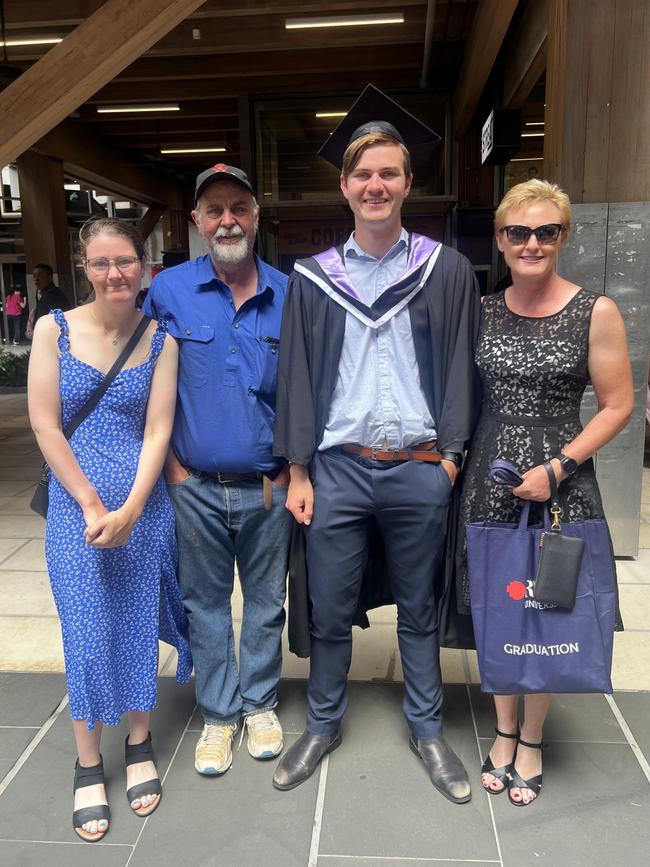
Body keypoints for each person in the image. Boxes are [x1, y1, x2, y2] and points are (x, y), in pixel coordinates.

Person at [272, 85, 481, 803]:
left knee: (419, 605)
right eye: (363, 174)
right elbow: (296, 377)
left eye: (388, 172)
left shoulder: (444, 269)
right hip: (335, 471)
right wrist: (296, 468)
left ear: (407, 182)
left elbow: (460, 364)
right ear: (344, 186)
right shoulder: (315, 279)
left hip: (420, 467)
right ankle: (324, 720)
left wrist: (451, 458)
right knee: (328, 605)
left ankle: (427, 727)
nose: (375, 184)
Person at [456, 179, 633, 806]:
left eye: (546, 231)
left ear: (562, 237)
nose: (531, 243)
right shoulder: (482, 309)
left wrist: (558, 465)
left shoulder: (597, 310)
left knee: (551, 601)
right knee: (502, 600)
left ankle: (532, 736)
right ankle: (503, 728)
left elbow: (617, 406)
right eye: (518, 232)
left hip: (564, 479)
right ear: (500, 239)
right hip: (492, 474)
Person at [28, 218, 192, 843]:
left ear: (142, 265)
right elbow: (45, 425)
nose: (115, 274)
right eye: (101, 264)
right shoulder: (54, 330)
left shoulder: (160, 341)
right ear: (84, 268)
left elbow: (157, 431)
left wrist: (129, 508)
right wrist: (95, 505)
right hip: (77, 511)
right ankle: (89, 760)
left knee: (134, 625)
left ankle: (140, 740)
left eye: (125, 261)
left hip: (142, 509)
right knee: (87, 634)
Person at [143, 164, 292, 778]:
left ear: (256, 217)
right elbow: (143, 382)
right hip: (194, 486)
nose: (226, 219)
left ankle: (258, 704)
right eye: (214, 210)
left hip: (269, 486)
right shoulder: (168, 291)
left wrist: (294, 472)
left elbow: (310, 392)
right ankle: (218, 715)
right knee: (204, 604)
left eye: (238, 207)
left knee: (264, 603)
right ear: (198, 222)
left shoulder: (292, 293)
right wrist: (172, 471)